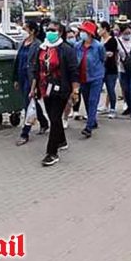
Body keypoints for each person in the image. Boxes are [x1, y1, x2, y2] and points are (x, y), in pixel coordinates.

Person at [31, 21, 79, 167]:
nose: (50, 32)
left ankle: (52, 153)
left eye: (53, 30)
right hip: (45, 88)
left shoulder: (66, 50)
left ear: (60, 33)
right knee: (53, 117)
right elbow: (36, 70)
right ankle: (62, 140)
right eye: (48, 29)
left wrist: (75, 91)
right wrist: (33, 88)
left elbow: (74, 71)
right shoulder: (42, 48)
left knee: (55, 118)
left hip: (61, 89)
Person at [13, 21, 49, 146]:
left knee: (28, 104)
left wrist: (34, 85)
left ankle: (25, 133)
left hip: (31, 79)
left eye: (25, 29)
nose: (22, 31)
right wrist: (15, 78)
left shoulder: (37, 45)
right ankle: (43, 122)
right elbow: (18, 61)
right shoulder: (22, 43)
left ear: (32, 31)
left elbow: (37, 66)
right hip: (22, 76)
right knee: (31, 102)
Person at [76, 21, 105, 138]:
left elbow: (102, 59)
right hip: (83, 78)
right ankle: (93, 120)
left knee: (93, 101)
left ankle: (88, 127)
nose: (81, 33)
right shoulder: (77, 46)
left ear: (89, 33)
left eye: (83, 31)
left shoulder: (98, 46)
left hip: (96, 77)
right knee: (87, 101)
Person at [98, 21, 119, 119]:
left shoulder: (112, 41)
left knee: (110, 89)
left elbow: (110, 54)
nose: (98, 31)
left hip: (110, 69)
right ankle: (102, 107)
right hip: (100, 69)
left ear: (105, 29)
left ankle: (112, 109)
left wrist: (103, 54)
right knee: (97, 90)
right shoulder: (99, 40)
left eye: (99, 28)